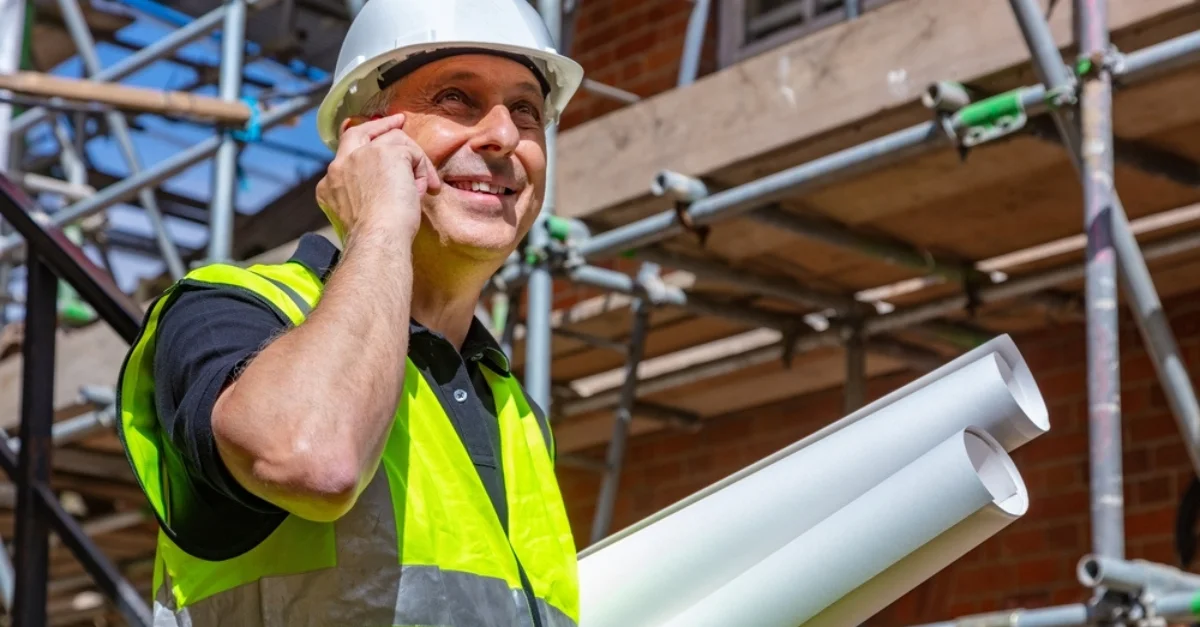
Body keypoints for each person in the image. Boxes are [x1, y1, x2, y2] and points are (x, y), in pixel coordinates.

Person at [115, 1, 586, 625]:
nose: (503, 135)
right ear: (364, 140)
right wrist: (381, 220)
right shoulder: (228, 311)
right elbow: (315, 458)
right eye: (455, 98)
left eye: (526, 110)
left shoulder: (515, 413)